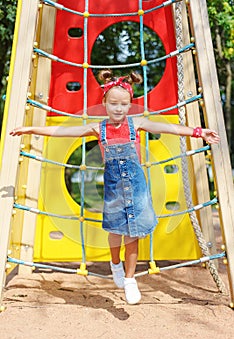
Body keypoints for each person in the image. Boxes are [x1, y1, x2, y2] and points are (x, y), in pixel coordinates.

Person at [10, 69, 220, 305]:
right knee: (115, 231)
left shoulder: (136, 123)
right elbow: (61, 131)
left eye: (123, 104)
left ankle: (130, 279)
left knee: (133, 233)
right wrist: (30, 129)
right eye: (113, 104)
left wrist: (198, 132)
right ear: (105, 104)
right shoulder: (97, 128)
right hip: (114, 188)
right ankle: (115, 264)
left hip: (137, 188)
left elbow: (168, 128)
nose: (118, 108)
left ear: (130, 106)